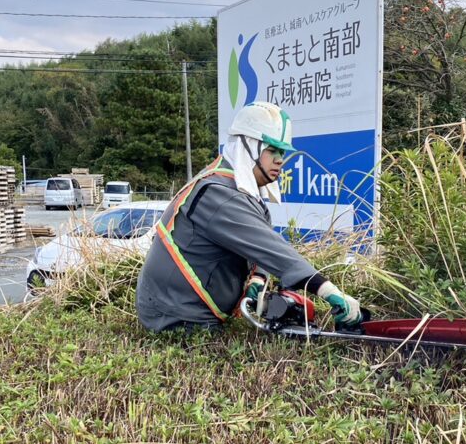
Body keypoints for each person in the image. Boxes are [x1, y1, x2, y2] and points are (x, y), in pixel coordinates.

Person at [136, 101, 362, 332]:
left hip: (185, 307)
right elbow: (272, 249)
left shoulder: (237, 190)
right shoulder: (219, 194)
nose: (280, 160)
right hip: (174, 315)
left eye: (282, 152)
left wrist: (257, 279)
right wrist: (329, 291)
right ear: (249, 148)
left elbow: (256, 242)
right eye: (271, 151)